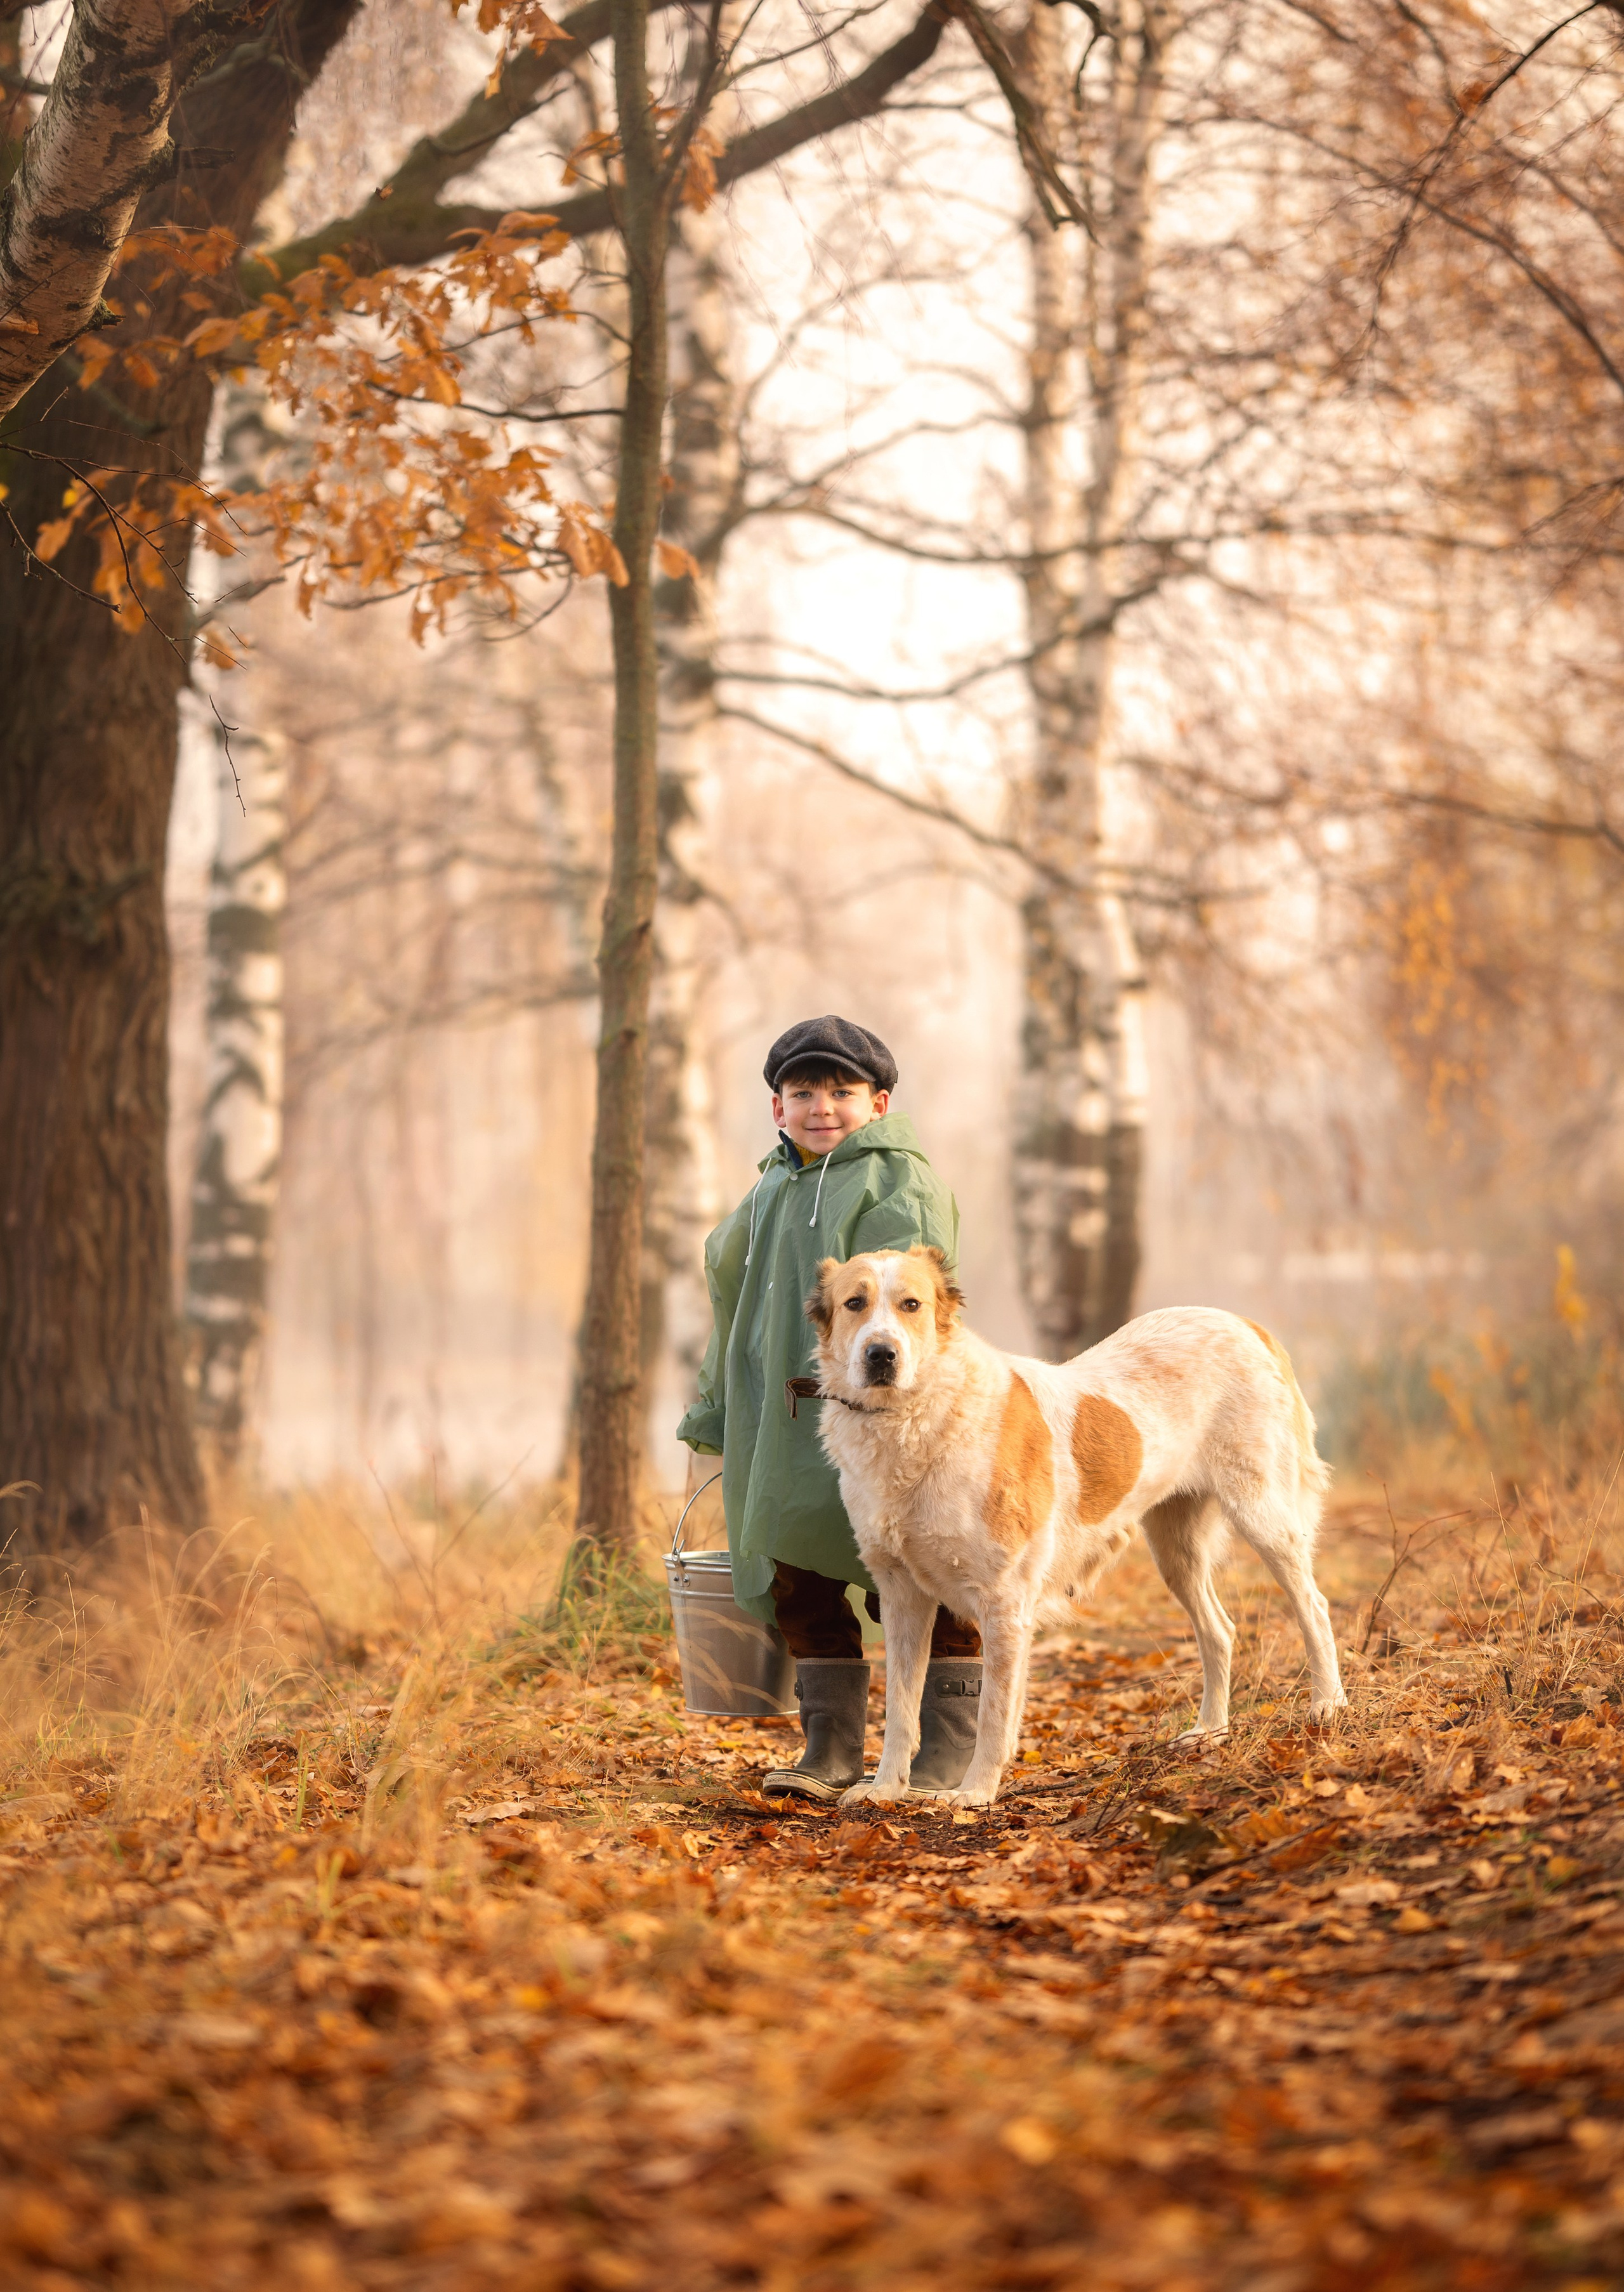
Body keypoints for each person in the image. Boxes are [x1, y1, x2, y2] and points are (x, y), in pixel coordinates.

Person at [677, 1014, 983, 1802]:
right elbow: (736, 1305)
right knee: (799, 1575)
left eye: (841, 1092)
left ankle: (946, 1751)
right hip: (779, 1423)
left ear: (878, 1103)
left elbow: (909, 1310)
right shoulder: (771, 1186)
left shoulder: (898, 1183)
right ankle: (831, 1749)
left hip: (884, 1422)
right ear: (776, 1106)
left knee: (922, 1568)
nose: (822, 1107)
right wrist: (716, 1405)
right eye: (803, 1092)